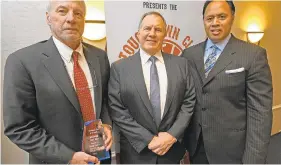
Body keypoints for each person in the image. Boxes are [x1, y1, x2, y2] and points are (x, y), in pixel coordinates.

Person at [3, 0, 112, 164]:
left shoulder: (100, 57)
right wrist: (68, 157)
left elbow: (104, 101)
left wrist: (107, 125)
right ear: (48, 18)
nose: (71, 18)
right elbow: (19, 127)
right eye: (62, 11)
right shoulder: (22, 62)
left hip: (99, 159)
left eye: (78, 13)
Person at [182, 0, 273, 164]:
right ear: (204, 21)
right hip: (196, 148)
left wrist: (254, 160)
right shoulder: (189, 55)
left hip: (233, 151)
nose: (215, 23)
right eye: (209, 18)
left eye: (221, 17)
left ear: (232, 17)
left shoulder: (253, 55)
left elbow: (260, 114)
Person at [108, 11, 196, 164]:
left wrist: (172, 135)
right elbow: (116, 109)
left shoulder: (181, 65)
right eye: (147, 28)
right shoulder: (119, 68)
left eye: (158, 29)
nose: (152, 34)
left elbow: (189, 102)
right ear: (138, 34)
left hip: (172, 152)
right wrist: (147, 139)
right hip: (136, 154)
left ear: (165, 35)